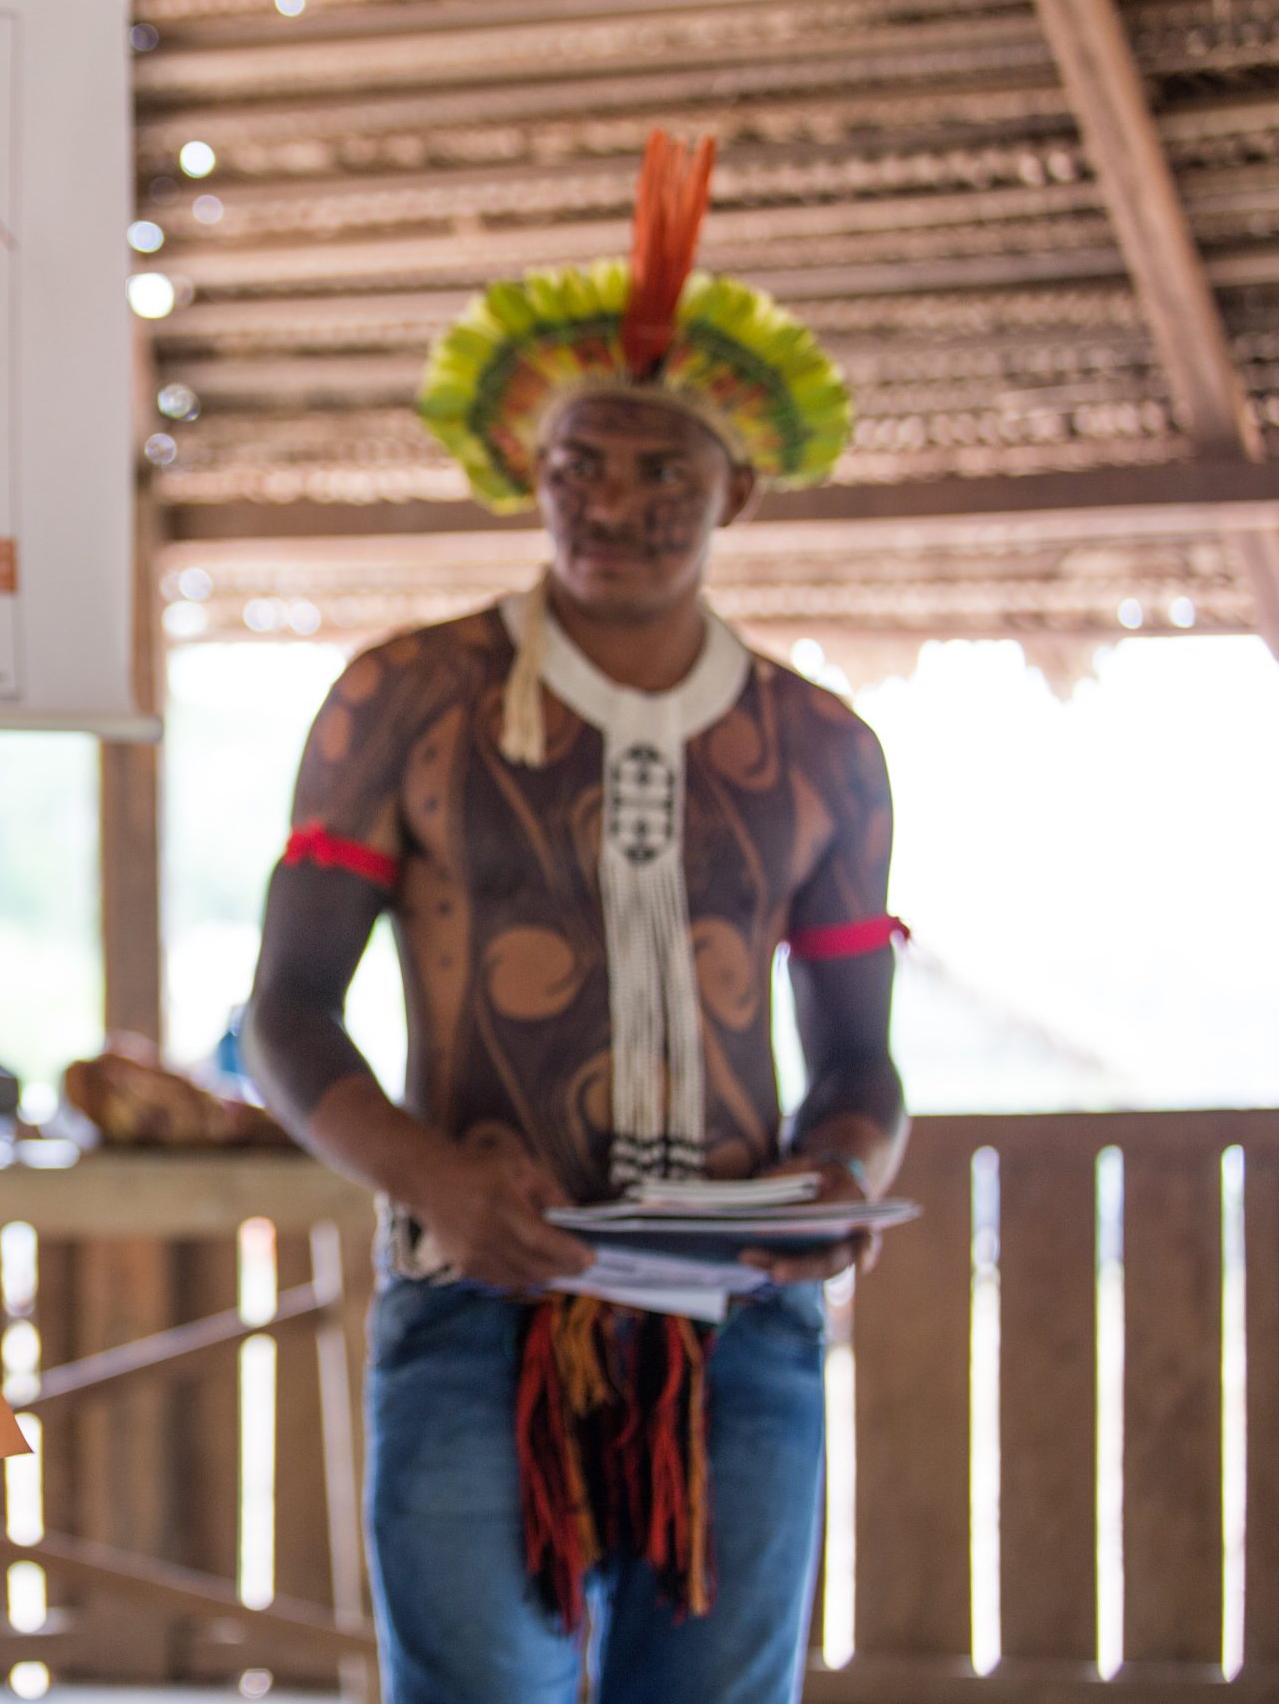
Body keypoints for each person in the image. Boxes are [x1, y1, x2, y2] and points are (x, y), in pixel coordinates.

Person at [243, 135, 907, 1704]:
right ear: (527, 477)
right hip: (477, 1304)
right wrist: (430, 1183)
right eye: (578, 468)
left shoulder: (825, 747)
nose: (614, 503)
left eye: (660, 468)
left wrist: (845, 1183)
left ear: (737, 483)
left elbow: (863, 1068)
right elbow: (283, 1013)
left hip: (740, 1327)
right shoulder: (404, 698)